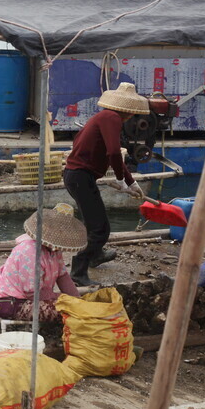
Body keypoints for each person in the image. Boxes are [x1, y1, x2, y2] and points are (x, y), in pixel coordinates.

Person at [63, 82, 149, 286]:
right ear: (130, 111)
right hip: (80, 177)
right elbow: (114, 153)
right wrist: (120, 179)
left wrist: (131, 182)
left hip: (77, 176)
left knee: (93, 223)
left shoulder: (104, 117)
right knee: (100, 229)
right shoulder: (112, 118)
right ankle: (78, 271)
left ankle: (96, 255)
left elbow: (112, 154)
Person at [0, 203, 85, 323]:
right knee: (69, 310)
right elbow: (31, 292)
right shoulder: (30, 251)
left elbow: (62, 275)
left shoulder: (54, 250)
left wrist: (77, 300)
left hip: (31, 299)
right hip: (12, 303)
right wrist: (61, 298)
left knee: (77, 307)